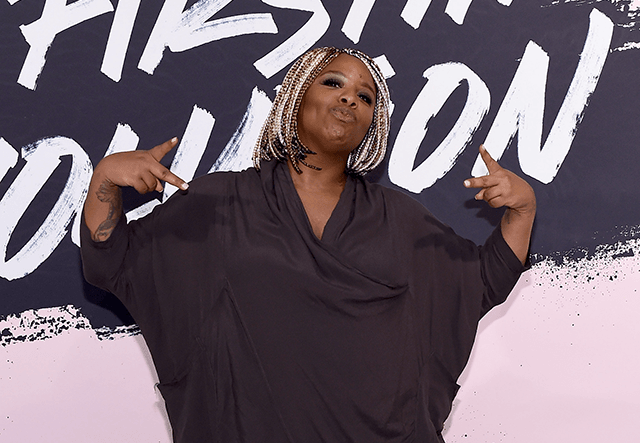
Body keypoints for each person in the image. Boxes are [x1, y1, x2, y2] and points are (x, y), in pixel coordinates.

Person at [81, 47, 536, 442]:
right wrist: (105, 181)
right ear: (297, 99)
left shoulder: (400, 218)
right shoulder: (218, 201)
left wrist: (523, 210)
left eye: (365, 97)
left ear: (372, 126)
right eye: (334, 82)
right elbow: (113, 261)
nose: (349, 98)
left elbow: (482, 278)